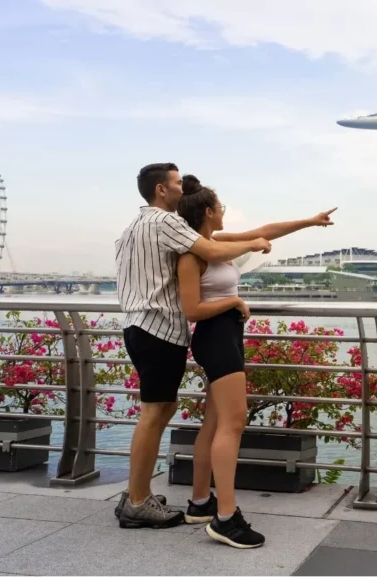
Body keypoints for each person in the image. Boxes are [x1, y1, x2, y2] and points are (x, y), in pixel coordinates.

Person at [176, 175, 334, 548]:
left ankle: (200, 503)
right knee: (233, 424)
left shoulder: (212, 244)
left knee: (214, 423)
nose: (226, 212)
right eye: (222, 207)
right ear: (210, 212)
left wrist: (310, 221)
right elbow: (192, 310)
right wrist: (233, 302)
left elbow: (264, 231)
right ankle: (226, 518)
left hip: (225, 336)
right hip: (215, 338)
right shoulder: (191, 255)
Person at [114, 163, 272, 529]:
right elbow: (210, 251)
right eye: (175, 184)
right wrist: (254, 244)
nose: (181, 189)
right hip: (158, 326)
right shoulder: (165, 222)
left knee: (160, 409)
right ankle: (137, 501)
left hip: (138, 324)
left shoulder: (131, 228)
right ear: (160, 191)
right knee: (154, 414)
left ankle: (138, 493)